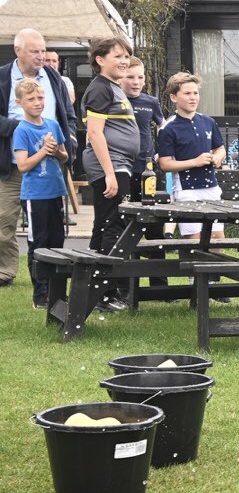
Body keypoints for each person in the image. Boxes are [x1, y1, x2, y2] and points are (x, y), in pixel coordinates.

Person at [0, 28, 77, 288]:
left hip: (50, 165)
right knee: (3, 223)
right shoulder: (2, 77)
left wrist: (69, 146)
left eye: (43, 50)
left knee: (51, 229)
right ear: (18, 51)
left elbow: (68, 114)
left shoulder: (54, 77)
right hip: (12, 165)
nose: (41, 56)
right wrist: (21, 127)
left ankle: (50, 281)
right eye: (35, 51)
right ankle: (6, 272)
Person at [82, 35, 140, 311]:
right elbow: (94, 132)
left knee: (107, 225)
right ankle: (103, 295)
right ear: (100, 60)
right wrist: (110, 173)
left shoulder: (113, 88)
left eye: (126, 56)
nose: (124, 60)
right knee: (112, 226)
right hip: (111, 166)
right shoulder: (100, 89)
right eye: (117, 56)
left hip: (119, 165)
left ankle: (99, 290)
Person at [12, 80, 67, 308]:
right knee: (39, 243)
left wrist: (56, 151)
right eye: (31, 99)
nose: (37, 103)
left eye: (40, 98)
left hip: (56, 191)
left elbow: (64, 156)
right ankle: (40, 296)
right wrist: (44, 151)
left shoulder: (52, 124)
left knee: (57, 242)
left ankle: (58, 293)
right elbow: (23, 165)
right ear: (20, 103)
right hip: (36, 195)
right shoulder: (22, 130)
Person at [157, 72, 226, 241]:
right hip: (185, 189)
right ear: (174, 97)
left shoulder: (208, 121)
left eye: (195, 93)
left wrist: (218, 157)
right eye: (187, 93)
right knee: (193, 239)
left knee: (217, 237)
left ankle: (217, 268)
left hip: (211, 186)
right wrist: (195, 162)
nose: (193, 97)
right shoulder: (168, 128)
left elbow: (221, 148)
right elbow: (165, 164)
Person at [121, 56, 168, 286]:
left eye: (140, 77)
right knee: (126, 225)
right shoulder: (115, 100)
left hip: (148, 171)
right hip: (123, 170)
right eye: (130, 77)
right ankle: (127, 281)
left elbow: (163, 126)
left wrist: (162, 151)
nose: (136, 81)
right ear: (121, 77)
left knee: (154, 224)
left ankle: (159, 280)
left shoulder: (151, 102)